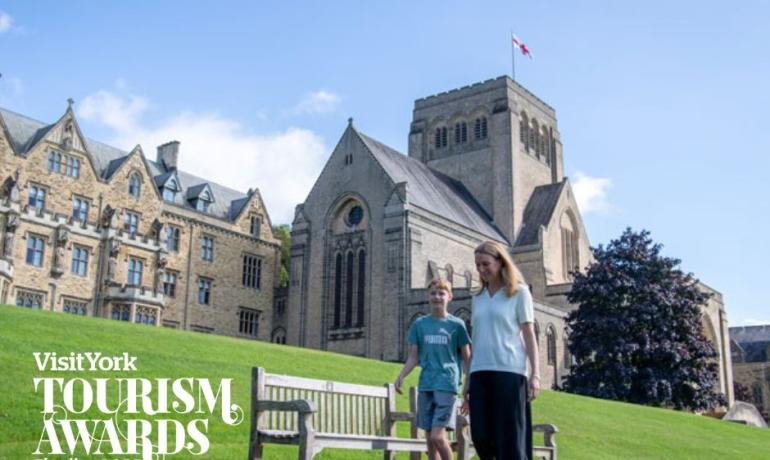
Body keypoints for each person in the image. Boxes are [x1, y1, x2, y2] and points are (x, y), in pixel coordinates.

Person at [463, 240, 540, 460]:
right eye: (477, 265)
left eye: (485, 264)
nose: (481, 269)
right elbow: (476, 340)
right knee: (481, 437)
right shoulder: (477, 297)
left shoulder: (519, 293)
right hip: (479, 372)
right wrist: (467, 382)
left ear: (500, 262)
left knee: (511, 441)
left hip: (510, 371)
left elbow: (528, 334)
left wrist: (535, 375)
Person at [395, 278, 471, 460]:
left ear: (450, 297)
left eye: (441, 293)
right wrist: (402, 375)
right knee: (430, 440)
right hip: (426, 385)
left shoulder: (457, 325)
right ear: (427, 296)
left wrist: (468, 387)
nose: (437, 297)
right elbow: (414, 356)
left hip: (447, 385)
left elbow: (468, 359)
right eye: (433, 293)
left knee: (438, 436)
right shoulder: (420, 324)